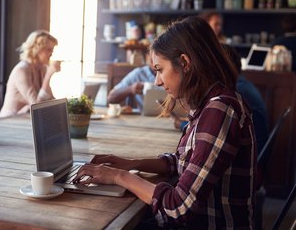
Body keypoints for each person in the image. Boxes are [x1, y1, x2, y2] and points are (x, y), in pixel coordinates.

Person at [73, 16, 256, 229]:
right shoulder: (211, 104)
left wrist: (118, 176)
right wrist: (131, 163)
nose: (157, 81)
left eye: (160, 69)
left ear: (185, 63)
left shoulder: (220, 110)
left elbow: (178, 207)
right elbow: (180, 161)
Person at [171, 44, 270, 154]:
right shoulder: (241, 84)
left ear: (218, 68)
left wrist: (181, 124)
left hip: (252, 158)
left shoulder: (233, 94)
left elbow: (210, 132)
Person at [0, 30, 60, 118]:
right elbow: (37, 106)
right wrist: (48, 76)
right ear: (37, 49)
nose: (51, 54)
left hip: (26, 118)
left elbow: (49, 99)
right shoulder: (21, 70)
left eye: (52, 50)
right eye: (49, 50)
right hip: (9, 120)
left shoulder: (42, 68)